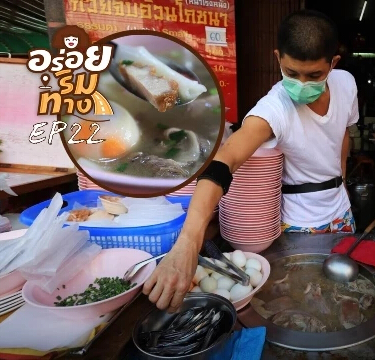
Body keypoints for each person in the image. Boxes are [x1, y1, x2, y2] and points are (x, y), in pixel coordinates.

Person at [144, 10, 359, 311]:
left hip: (341, 212)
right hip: (297, 223)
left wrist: (342, 180)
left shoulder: (347, 84)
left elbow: (344, 135)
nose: (300, 84)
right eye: (291, 72)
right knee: (302, 303)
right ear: (277, 59)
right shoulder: (274, 108)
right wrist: (188, 243)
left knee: (341, 298)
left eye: (314, 76)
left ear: (333, 64)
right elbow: (225, 160)